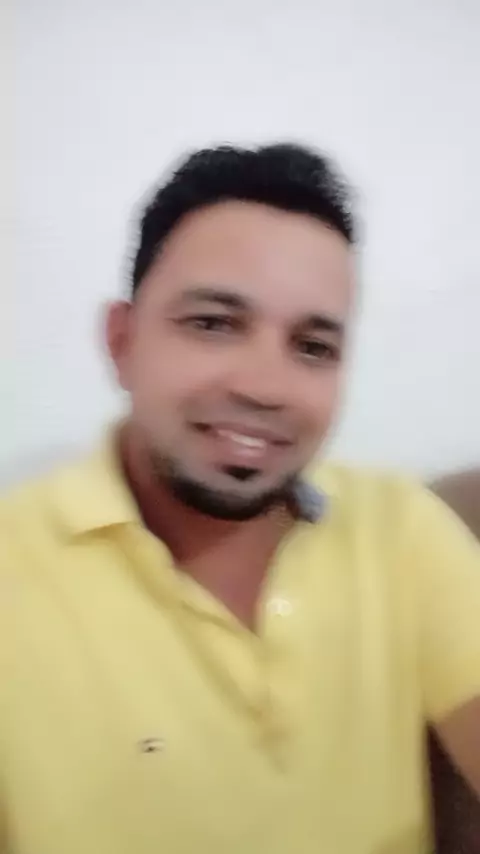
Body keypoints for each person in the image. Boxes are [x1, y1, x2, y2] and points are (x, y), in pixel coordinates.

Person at [1, 143, 479, 854]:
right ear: (122, 342)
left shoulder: (397, 525)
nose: (264, 386)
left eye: (312, 346)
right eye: (213, 323)